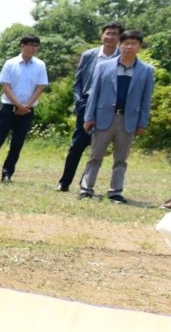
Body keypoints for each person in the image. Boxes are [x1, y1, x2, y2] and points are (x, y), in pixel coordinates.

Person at [79, 29, 154, 204]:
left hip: (128, 120)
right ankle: (86, 189)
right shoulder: (103, 66)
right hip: (104, 117)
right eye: (126, 43)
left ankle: (115, 192)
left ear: (139, 47)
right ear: (120, 45)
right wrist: (88, 117)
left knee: (121, 159)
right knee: (95, 156)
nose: (129, 47)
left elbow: (146, 98)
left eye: (133, 44)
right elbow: (94, 93)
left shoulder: (146, 70)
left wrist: (142, 122)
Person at [57, 22, 123, 191]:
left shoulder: (122, 58)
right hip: (86, 105)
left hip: (109, 108)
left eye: (115, 34)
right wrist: (79, 102)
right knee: (77, 145)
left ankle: (85, 184)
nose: (110, 37)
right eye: (108, 33)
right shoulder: (88, 55)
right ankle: (64, 183)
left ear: (119, 38)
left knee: (97, 148)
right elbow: (77, 82)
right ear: (102, 35)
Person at [0, 34, 47, 182]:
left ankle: (7, 173)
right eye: (31, 45)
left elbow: (40, 87)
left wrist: (26, 106)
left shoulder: (40, 65)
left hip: (28, 110)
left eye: (36, 45)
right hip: (8, 108)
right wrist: (18, 105)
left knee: (17, 144)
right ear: (22, 46)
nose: (34, 48)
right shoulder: (10, 63)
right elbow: (6, 86)